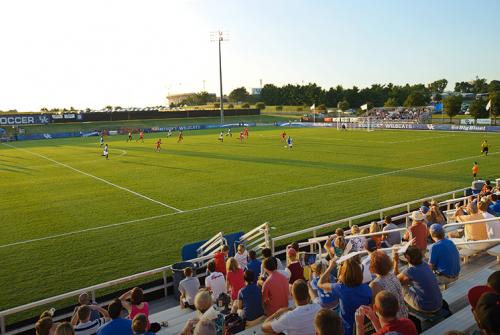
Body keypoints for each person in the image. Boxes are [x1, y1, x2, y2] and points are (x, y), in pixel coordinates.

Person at [318, 258, 372, 335]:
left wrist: (330, 267)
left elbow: (320, 284)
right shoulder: (367, 288)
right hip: (365, 327)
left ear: (343, 273)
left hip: (348, 329)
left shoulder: (340, 288)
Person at [394, 246, 442, 313]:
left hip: (426, 307)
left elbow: (395, 281)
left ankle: (402, 309)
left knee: (401, 286)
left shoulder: (409, 271)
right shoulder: (425, 264)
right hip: (439, 303)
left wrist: (395, 261)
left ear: (408, 258)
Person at [369, 251, 408, 319]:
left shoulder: (375, 284)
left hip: (394, 321)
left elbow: (377, 310)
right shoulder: (392, 275)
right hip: (404, 315)